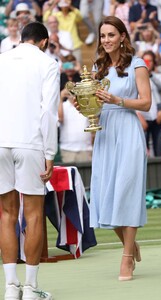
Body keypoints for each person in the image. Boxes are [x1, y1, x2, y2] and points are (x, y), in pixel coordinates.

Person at [0, 21, 60, 300]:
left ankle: (11, 288)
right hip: (31, 143)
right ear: (44, 41)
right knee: (34, 214)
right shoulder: (48, 63)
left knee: (7, 214)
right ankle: (30, 289)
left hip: (1, 143)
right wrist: (50, 153)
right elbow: (48, 111)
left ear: (22, 39)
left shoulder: (2, 59)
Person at [89, 16, 151, 281]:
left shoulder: (137, 64)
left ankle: (126, 258)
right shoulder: (97, 68)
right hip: (104, 133)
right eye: (103, 36)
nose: (107, 40)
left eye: (111, 35)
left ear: (122, 36)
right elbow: (93, 104)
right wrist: (87, 107)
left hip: (127, 130)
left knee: (127, 191)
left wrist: (117, 100)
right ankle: (130, 244)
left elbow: (146, 103)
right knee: (105, 197)